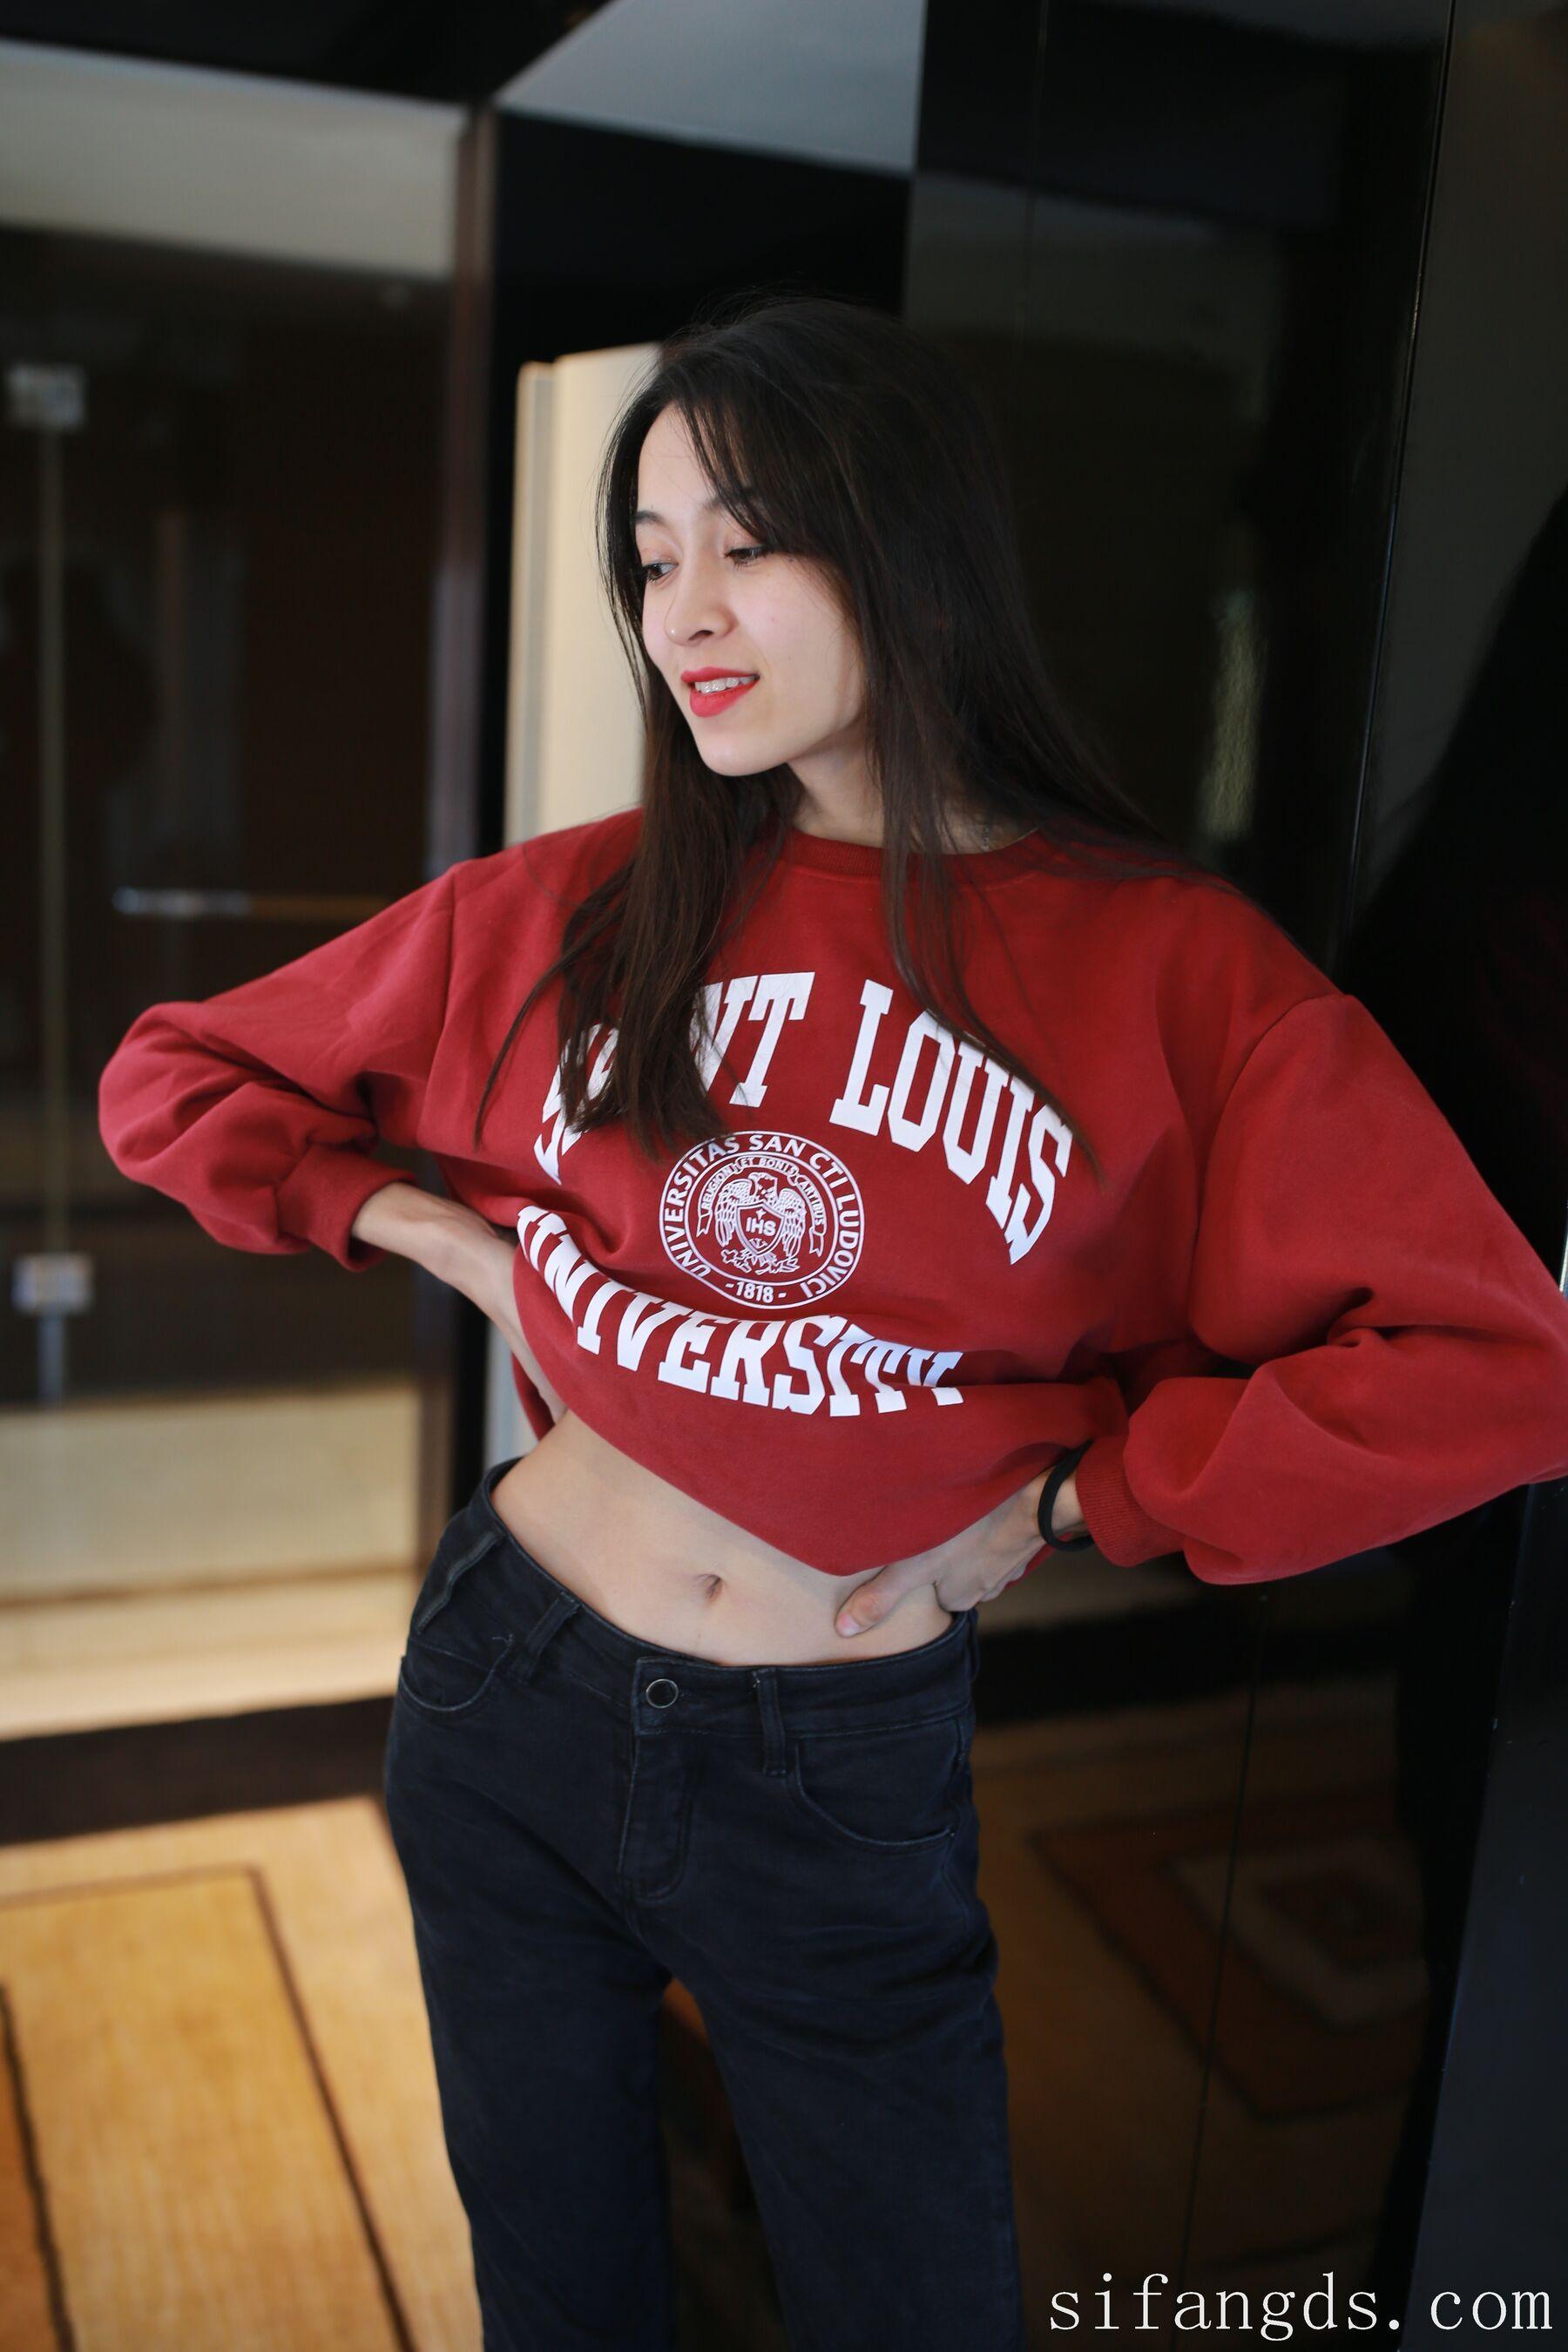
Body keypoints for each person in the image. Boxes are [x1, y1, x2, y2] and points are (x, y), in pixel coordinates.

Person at [98, 290, 1568, 2352]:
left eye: (750, 539)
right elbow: (173, 1080)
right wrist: (450, 1241)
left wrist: (1082, 1501)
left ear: (913, 549)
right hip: (509, 1692)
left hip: (834, 1766)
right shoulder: (586, 904)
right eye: (651, 557)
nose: (684, 611)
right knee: (562, 2307)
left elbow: (1495, 1368)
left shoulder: (1176, 977)